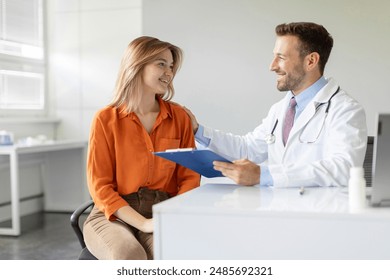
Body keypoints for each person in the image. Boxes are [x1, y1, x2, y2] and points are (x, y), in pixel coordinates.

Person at [185, 22, 367, 187]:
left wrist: (265, 176)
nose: (272, 66)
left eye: (281, 57)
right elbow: (248, 149)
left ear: (311, 61)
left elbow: (345, 168)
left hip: (319, 214)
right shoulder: (281, 109)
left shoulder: (345, 109)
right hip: (279, 210)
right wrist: (197, 130)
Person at [83, 36, 200, 260]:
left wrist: (171, 216)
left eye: (172, 67)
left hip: (163, 210)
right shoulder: (105, 119)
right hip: (113, 215)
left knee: (174, 253)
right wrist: (144, 223)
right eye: (161, 64)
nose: (170, 73)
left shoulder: (180, 118)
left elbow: (189, 178)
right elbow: (100, 187)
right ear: (137, 64)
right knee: (128, 254)